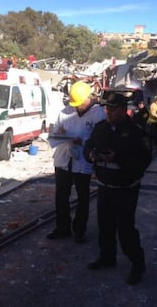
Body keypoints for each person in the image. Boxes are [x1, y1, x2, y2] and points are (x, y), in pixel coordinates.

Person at [83, 92, 152, 285]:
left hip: (125, 188)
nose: (108, 112)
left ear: (123, 110)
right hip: (105, 186)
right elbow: (88, 147)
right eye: (107, 108)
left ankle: (137, 264)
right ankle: (107, 257)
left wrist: (118, 158)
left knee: (125, 229)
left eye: (112, 109)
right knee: (105, 225)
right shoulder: (101, 128)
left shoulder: (136, 132)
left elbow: (144, 160)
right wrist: (92, 156)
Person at [47, 81, 106, 243]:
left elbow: (102, 138)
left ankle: (79, 230)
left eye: (80, 103)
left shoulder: (99, 114)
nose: (78, 107)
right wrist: (58, 133)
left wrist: (86, 141)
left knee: (83, 197)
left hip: (83, 161)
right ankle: (62, 227)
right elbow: (55, 130)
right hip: (64, 159)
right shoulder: (65, 112)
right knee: (61, 196)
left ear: (89, 97)